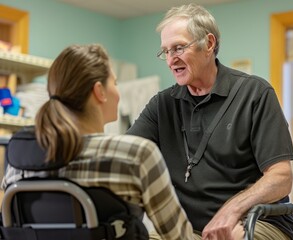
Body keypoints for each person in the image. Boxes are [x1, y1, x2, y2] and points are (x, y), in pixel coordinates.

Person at [126, 3, 293, 240]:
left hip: (256, 223)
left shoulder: (255, 93)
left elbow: (281, 177)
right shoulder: (162, 104)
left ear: (208, 44)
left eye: (178, 48)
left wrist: (233, 209)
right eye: (165, 51)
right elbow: (124, 155)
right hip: (190, 231)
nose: (170, 60)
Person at [1, 44, 196, 239]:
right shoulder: (135, 155)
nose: (117, 92)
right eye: (115, 83)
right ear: (99, 91)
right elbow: (179, 236)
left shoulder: (19, 157)